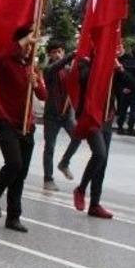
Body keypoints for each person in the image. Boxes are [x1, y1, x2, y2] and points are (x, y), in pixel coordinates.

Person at [0, 28, 47, 233]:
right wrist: (24, 39)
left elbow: (43, 95)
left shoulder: (31, 67)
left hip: (26, 125)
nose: (29, 48)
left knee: (20, 174)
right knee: (14, 163)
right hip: (5, 121)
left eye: (31, 45)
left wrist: (36, 84)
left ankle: (13, 217)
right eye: (27, 44)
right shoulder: (5, 63)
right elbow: (1, 56)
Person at [72, 53, 133, 219]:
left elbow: (134, 84)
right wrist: (101, 65)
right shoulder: (85, 63)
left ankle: (94, 204)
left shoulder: (114, 67)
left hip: (107, 117)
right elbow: (84, 79)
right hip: (90, 117)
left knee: (102, 162)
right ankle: (81, 189)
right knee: (99, 153)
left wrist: (119, 68)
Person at [41, 41, 80, 191]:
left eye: (59, 51)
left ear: (63, 52)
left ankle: (64, 163)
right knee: (49, 147)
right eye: (54, 52)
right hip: (52, 116)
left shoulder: (69, 70)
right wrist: (72, 55)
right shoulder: (48, 70)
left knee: (77, 137)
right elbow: (56, 67)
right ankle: (48, 179)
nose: (57, 55)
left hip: (67, 115)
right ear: (49, 55)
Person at [116, 44, 135, 136]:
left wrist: (123, 88)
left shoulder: (125, 63)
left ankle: (120, 128)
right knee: (134, 111)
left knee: (123, 110)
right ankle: (130, 129)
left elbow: (120, 77)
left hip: (125, 90)